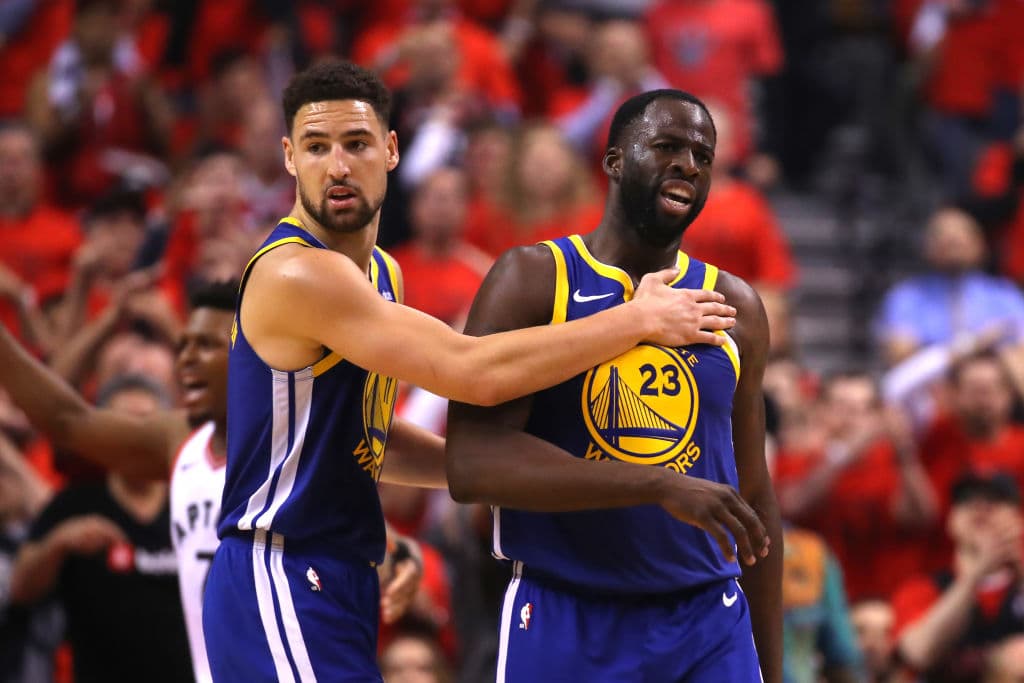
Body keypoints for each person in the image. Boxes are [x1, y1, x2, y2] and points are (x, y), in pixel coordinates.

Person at [202, 61, 737, 682]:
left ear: (392, 150)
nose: (339, 166)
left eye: (356, 144)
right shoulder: (298, 273)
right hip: (277, 567)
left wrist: (492, 468)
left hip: (339, 573)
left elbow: (366, 438)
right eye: (317, 148)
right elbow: (469, 371)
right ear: (290, 158)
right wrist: (636, 320)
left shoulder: (378, 272)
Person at [446, 89, 781, 682]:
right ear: (614, 161)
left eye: (704, 155)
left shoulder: (735, 306)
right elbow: (473, 465)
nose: (689, 165)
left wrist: (772, 671)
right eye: (667, 146)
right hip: (567, 612)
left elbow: (752, 502)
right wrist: (658, 485)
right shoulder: (533, 280)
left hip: (708, 620)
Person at [0, 281, 425, 683]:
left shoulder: (302, 436)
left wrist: (403, 555)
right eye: (182, 344)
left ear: (248, 357)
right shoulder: (179, 440)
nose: (185, 358)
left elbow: (357, 530)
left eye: (204, 345)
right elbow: (68, 420)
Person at [9, 373, 193, 683]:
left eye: (145, 425)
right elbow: (20, 591)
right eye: (121, 426)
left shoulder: (194, 501)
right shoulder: (73, 503)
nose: (133, 438)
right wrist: (59, 544)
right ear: (102, 435)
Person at [892, 472, 1024, 683]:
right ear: (951, 521)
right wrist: (975, 574)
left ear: (1017, 517)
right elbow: (918, 653)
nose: (980, 508)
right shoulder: (922, 588)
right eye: (967, 500)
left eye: (995, 499)